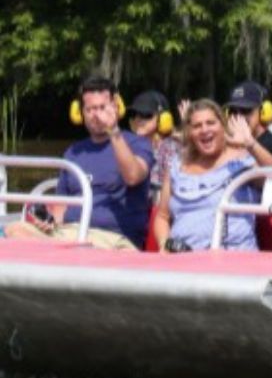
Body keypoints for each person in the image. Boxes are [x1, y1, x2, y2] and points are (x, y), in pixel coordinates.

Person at [7, 75, 154, 249]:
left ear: (115, 107)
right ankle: (56, 251)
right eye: (90, 109)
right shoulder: (73, 152)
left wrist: (113, 131)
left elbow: (133, 176)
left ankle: (55, 251)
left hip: (113, 239)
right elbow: (62, 207)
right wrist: (49, 222)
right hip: (70, 232)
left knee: (69, 248)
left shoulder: (137, 144)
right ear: (80, 113)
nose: (96, 115)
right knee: (15, 229)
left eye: (102, 108)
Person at [153, 100, 258, 251]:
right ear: (189, 132)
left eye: (210, 123)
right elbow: (162, 217)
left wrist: (251, 144)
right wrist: (164, 245)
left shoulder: (242, 160)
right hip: (183, 260)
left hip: (232, 261)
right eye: (197, 126)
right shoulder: (177, 164)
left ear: (223, 126)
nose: (204, 129)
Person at [224, 81, 272, 167]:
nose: (239, 117)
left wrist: (246, 144)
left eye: (246, 110)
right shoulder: (226, 142)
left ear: (263, 112)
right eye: (232, 111)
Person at [127, 89, 181, 197]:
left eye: (146, 115)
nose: (138, 119)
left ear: (163, 118)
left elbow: (172, 185)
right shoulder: (128, 144)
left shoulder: (170, 147)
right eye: (135, 114)